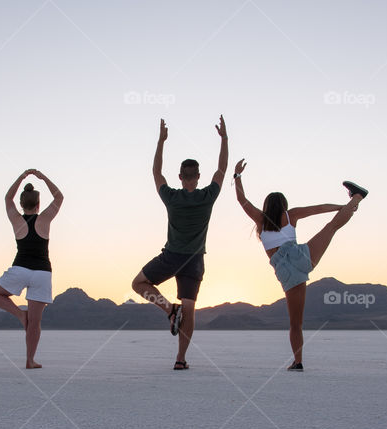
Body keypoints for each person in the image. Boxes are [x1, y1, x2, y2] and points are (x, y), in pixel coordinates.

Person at [234, 159, 367, 371]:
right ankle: (357, 198)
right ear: (283, 204)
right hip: (300, 257)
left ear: (267, 205)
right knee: (331, 227)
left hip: (285, 270)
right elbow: (319, 208)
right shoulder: (290, 215)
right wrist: (344, 206)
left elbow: (241, 200)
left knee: (296, 323)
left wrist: (237, 176)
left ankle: (298, 362)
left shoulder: (260, 219)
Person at [131, 116, 228, 370]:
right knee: (190, 309)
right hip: (195, 260)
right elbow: (221, 171)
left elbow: (156, 172)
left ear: (180, 176)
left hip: (172, 255)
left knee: (138, 283)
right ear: (197, 176)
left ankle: (169, 310)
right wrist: (224, 139)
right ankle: (180, 359)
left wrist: (161, 141)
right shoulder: (207, 196)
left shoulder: (171, 197)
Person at [0, 169, 64, 369]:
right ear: (38, 204)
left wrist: (21, 178)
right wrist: (43, 177)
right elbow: (59, 196)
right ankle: (30, 360)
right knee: (35, 322)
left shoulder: (16, 219)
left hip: (20, 269)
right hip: (42, 273)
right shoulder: (44, 218)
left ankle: (20, 315)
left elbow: (7, 198)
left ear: (21, 204)